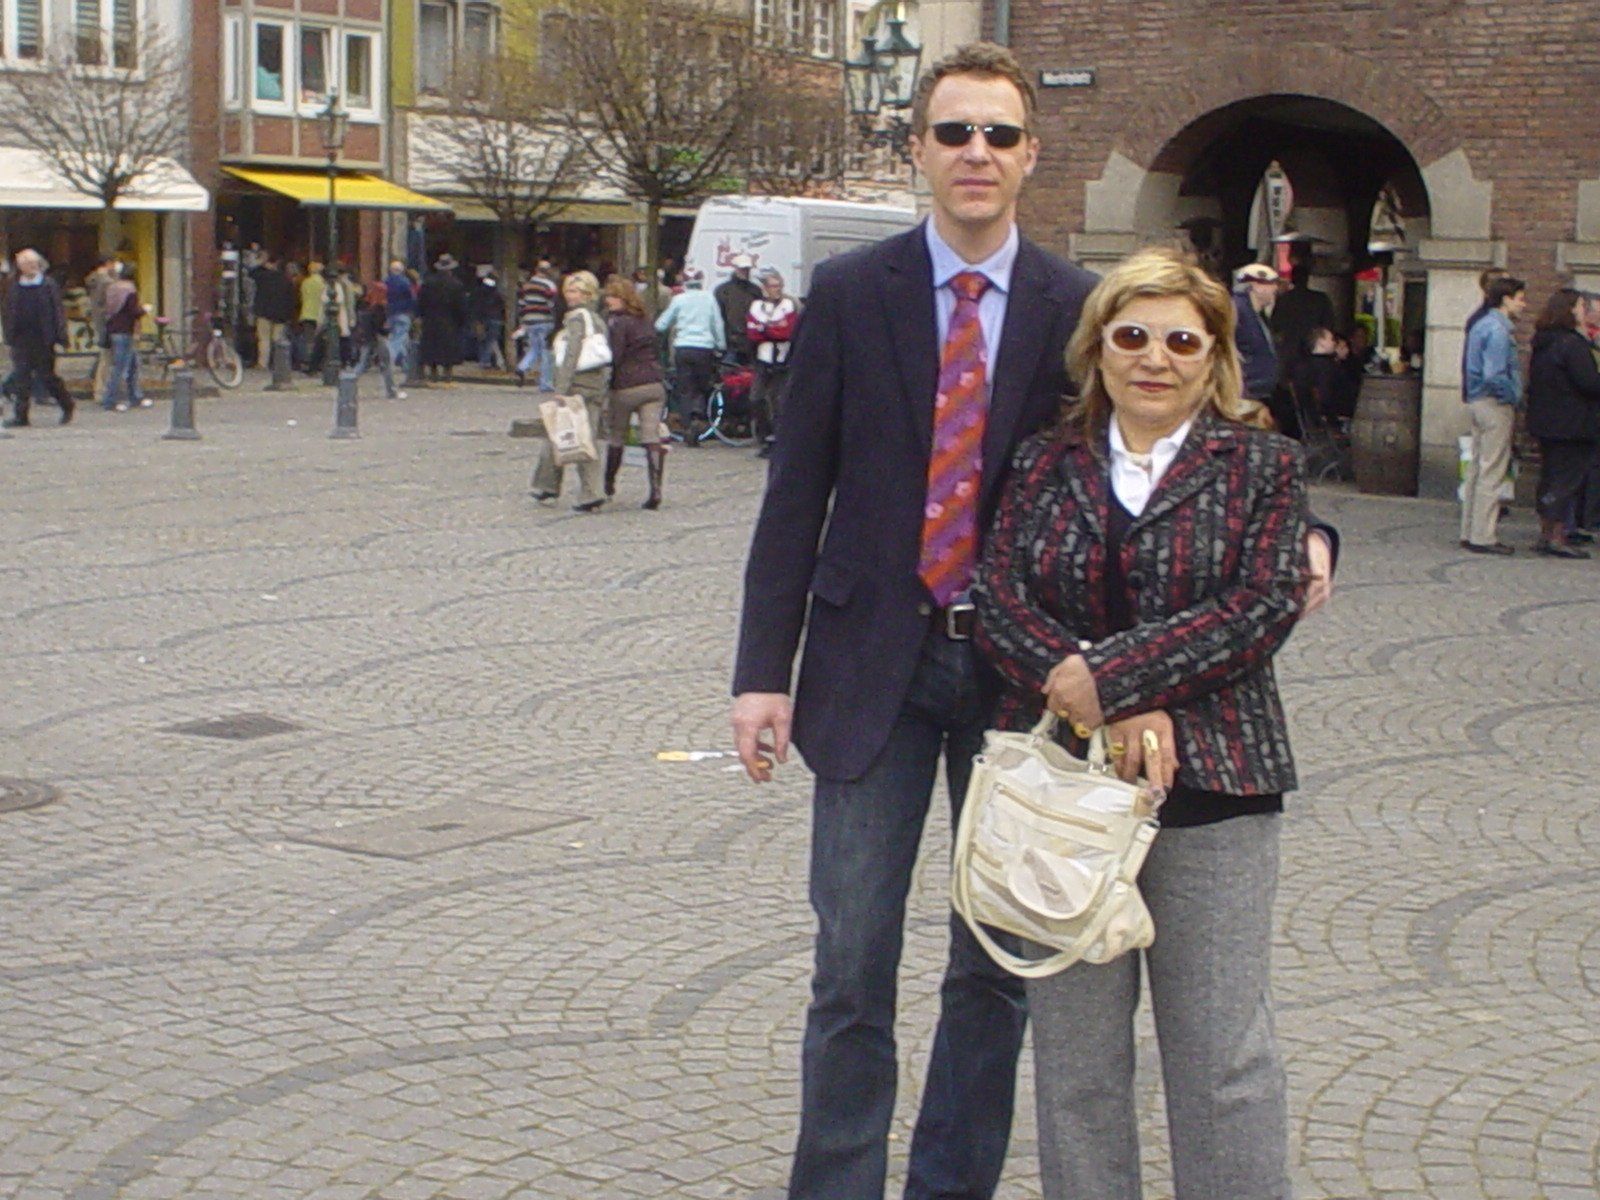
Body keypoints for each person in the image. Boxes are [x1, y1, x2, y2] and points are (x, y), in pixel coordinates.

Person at [972, 245, 1309, 1200]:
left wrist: (1113, 680)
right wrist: (1092, 697)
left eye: (1181, 341)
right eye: (1131, 336)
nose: (1154, 358)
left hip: (1215, 792)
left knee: (1223, 1061)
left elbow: (1260, 606)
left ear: (1215, 357)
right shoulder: (1044, 461)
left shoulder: (1265, 466)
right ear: (1097, 349)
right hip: (1064, 800)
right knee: (1075, 1065)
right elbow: (999, 600)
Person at [1526, 287, 1600, 559]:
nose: (1583, 310)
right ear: (1569, 310)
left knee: (1550, 478)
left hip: (1547, 422)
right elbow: (1589, 383)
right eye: (1580, 306)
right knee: (1565, 482)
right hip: (1573, 425)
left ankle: (1546, 533)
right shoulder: (1572, 344)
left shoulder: (1544, 342)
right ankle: (1556, 537)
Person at [531, 271, 611, 512]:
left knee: (561, 435)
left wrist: (561, 388)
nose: (570, 296)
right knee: (583, 438)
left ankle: (559, 487)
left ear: (587, 294)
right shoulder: (597, 319)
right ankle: (582, 490)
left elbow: (571, 355)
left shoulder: (577, 318)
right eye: (568, 291)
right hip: (594, 386)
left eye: (575, 291)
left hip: (578, 386)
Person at [1461, 274, 1527, 554]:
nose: (1523, 304)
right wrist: (1513, 395)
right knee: (1492, 470)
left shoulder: (1481, 324)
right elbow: (1494, 374)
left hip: (1477, 400)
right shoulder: (1499, 330)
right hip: (1493, 403)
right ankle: (1484, 536)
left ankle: (1469, 530)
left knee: (1477, 469)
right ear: (1506, 299)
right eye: (1520, 299)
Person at [599, 275, 668, 510]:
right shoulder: (646, 320)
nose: (608, 300)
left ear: (622, 298)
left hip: (626, 385)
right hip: (653, 383)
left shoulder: (617, 323)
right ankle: (656, 490)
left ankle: (608, 484)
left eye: (612, 296)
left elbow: (615, 355)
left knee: (617, 436)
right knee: (651, 437)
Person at [2, 249, 75, 427]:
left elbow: (57, 311)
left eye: (32, 263)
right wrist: (9, 335)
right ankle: (21, 416)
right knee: (22, 377)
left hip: (43, 339)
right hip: (21, 339)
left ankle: (67, 404)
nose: (29, 267)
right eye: (25, 264)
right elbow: (8, 312)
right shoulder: (15, 286)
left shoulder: (48, 285)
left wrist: (61, 336)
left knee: (47, 377)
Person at [654, 268, 725, 445]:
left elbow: (661, 325)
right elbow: (718, 324)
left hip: (683, 347)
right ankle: (699, 417)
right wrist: (721, 345)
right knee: (703, 386)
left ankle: (687, 424)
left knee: (685, 388)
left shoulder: (679, 300)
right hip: (704, 348)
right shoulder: (709, 299)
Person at [746, 269, 799, 458]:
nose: (777, 290)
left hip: (782, 361)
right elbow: (752, 332)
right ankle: (764, 435)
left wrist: (766, 329)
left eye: (779, 286)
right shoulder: (756, 306)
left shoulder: (788, 305)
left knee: (778, 401)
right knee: (756, 398)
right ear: (765, 288)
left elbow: (788, 331)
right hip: (763, 359)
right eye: (773, 286)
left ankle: (778, 438)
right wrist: (773, 328)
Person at [99, 263, 147, 412]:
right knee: (120, 367)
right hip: (125, 330)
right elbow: (133, 311)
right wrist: (144, 310)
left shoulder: (112, 288)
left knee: (131, 364)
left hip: (113, 329)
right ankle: (110, 400)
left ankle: (135, 396)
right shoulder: (129, 289)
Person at [1232, 262, 1279, 404]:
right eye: (1271, 284)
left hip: (1257, 391)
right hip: (1246, 392)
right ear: (1256, 286)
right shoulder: (1236, 310)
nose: (1275, 288)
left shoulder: (1257, 314)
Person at [417, 254, 467, 384]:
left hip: (431, 320)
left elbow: (421, 303)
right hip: (450, 321)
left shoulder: (428, 283)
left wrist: (421, 316)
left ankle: (433, 373)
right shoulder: (456, 285)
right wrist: (462, 320)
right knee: (448, 349)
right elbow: (461, 306)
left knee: (432, 348)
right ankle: (448, 373)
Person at [352, 279, 406, 400]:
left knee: (363, 364)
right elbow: (380, 326)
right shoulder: (379, 307)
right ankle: (391, 391)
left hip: (367, 337)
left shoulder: (364, 303)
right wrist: (387, 329)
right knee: (386, 365)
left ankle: (348, 384)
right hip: (379, 338)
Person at [515, 261, 559, 388]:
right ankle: (545, 383)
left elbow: (521, 304)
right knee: (546, 352)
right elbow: (552, 304)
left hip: (530, 321)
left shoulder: (526, 286)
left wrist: (523, 320)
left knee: (534, 348)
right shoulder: (549, 285)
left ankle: (522, 367)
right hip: (545, 320)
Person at [715, 252, 763, 363]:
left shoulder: (755, 290)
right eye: (742, 269)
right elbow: (718, 317)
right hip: (729, 343)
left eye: (747, 269)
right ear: (735, 268)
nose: (745, 271)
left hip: (750, 342)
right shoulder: (723, 290)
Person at [251, 253, 296, 366]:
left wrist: (261, 264)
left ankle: (263, 364)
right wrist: (289, 316)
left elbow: (251, 273)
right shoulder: (287, 280)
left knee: (264, 340)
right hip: (281, 316)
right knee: (278, 340)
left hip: (264, 312)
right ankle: (277, 364)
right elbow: (291, 300)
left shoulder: (263, 277)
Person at [384, 259, 417, 373]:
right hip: (403, 313)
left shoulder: (386, 282)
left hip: (390, 313)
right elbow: (412, 298)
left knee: (402, 339)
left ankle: (405, 365)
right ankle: (389, 359)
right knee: (398, 339)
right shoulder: (405, 282)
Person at [471, 271, 507, 369]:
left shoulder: (479, 291)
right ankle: (486, 361)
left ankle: (484, 360)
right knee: (491, 340)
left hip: (482, 318)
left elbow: (475, 305)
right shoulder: (497, 292)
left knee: (482, 340)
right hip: (495, 318)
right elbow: (501, 304)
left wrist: (476, 319)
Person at [297, 261, 326, 372]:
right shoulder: (323, 283)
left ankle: (308, 361)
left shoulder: (305, 282)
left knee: (308, 340)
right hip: (319, 314)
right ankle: (318, 362)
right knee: (320, 340)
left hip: (306, 312)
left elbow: (301, 297)